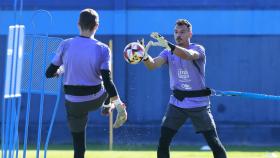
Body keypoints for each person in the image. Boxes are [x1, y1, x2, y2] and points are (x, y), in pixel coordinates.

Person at [45, 8, 127, 158]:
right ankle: (108, 106)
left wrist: (61, 70)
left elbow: (48, 73)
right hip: (96, 98)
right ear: (97, 26)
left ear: (78, 24)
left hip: (73, 102)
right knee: (105, 84)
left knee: (79, 148)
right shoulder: (103, 48)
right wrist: (117, 103)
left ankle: (107, 106)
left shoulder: (65, 44)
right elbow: (108, 81)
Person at [142, 19, 227, 158]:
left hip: (199, 104)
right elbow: (152, 65)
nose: (178, 35)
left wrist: (169, 45)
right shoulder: (167, 52)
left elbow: (188, 56)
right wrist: (144, 56)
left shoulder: (198, 48)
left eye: (182, 32)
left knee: (214, 142)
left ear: (190, 34)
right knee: (163, 141)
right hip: (177, 103)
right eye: (176, 32)